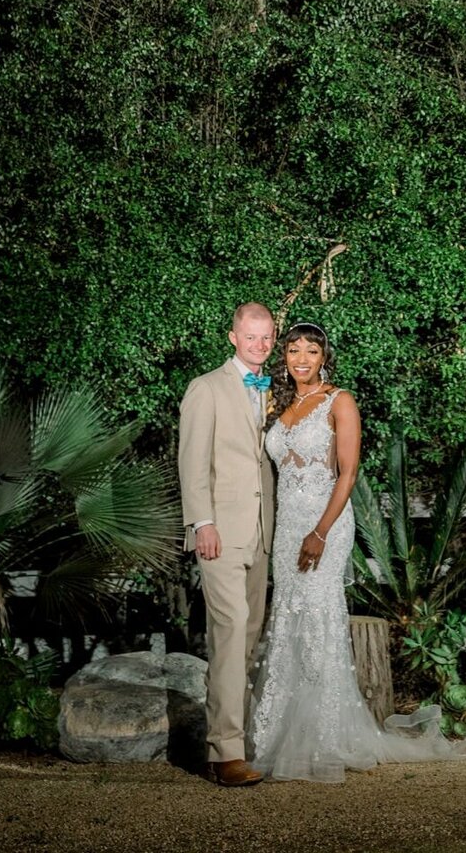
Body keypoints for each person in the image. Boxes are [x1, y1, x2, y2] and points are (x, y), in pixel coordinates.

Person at [247, 320, 466, 782]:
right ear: (285, 358)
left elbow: (348, 474)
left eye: (311, 351)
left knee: (318, 620)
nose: (301, 359)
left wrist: (319, 532)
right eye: (293, 350)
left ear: (324, 357)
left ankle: (325, 736)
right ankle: (281, 732)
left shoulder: (341, 401)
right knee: (290, 619)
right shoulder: (277, 403)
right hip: (286, 527)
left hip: (325, 525)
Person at [177, 301, 276, 787]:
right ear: (233, 337)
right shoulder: (206, 388)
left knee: (246, 636)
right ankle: (224, 753)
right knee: (232, 628)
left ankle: (233, 738)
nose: (259, 346)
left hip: (262, 535)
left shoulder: (272, 389)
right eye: (250, 336)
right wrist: (202, 523)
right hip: (220, 533)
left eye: (266, 338)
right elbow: (191, 464)